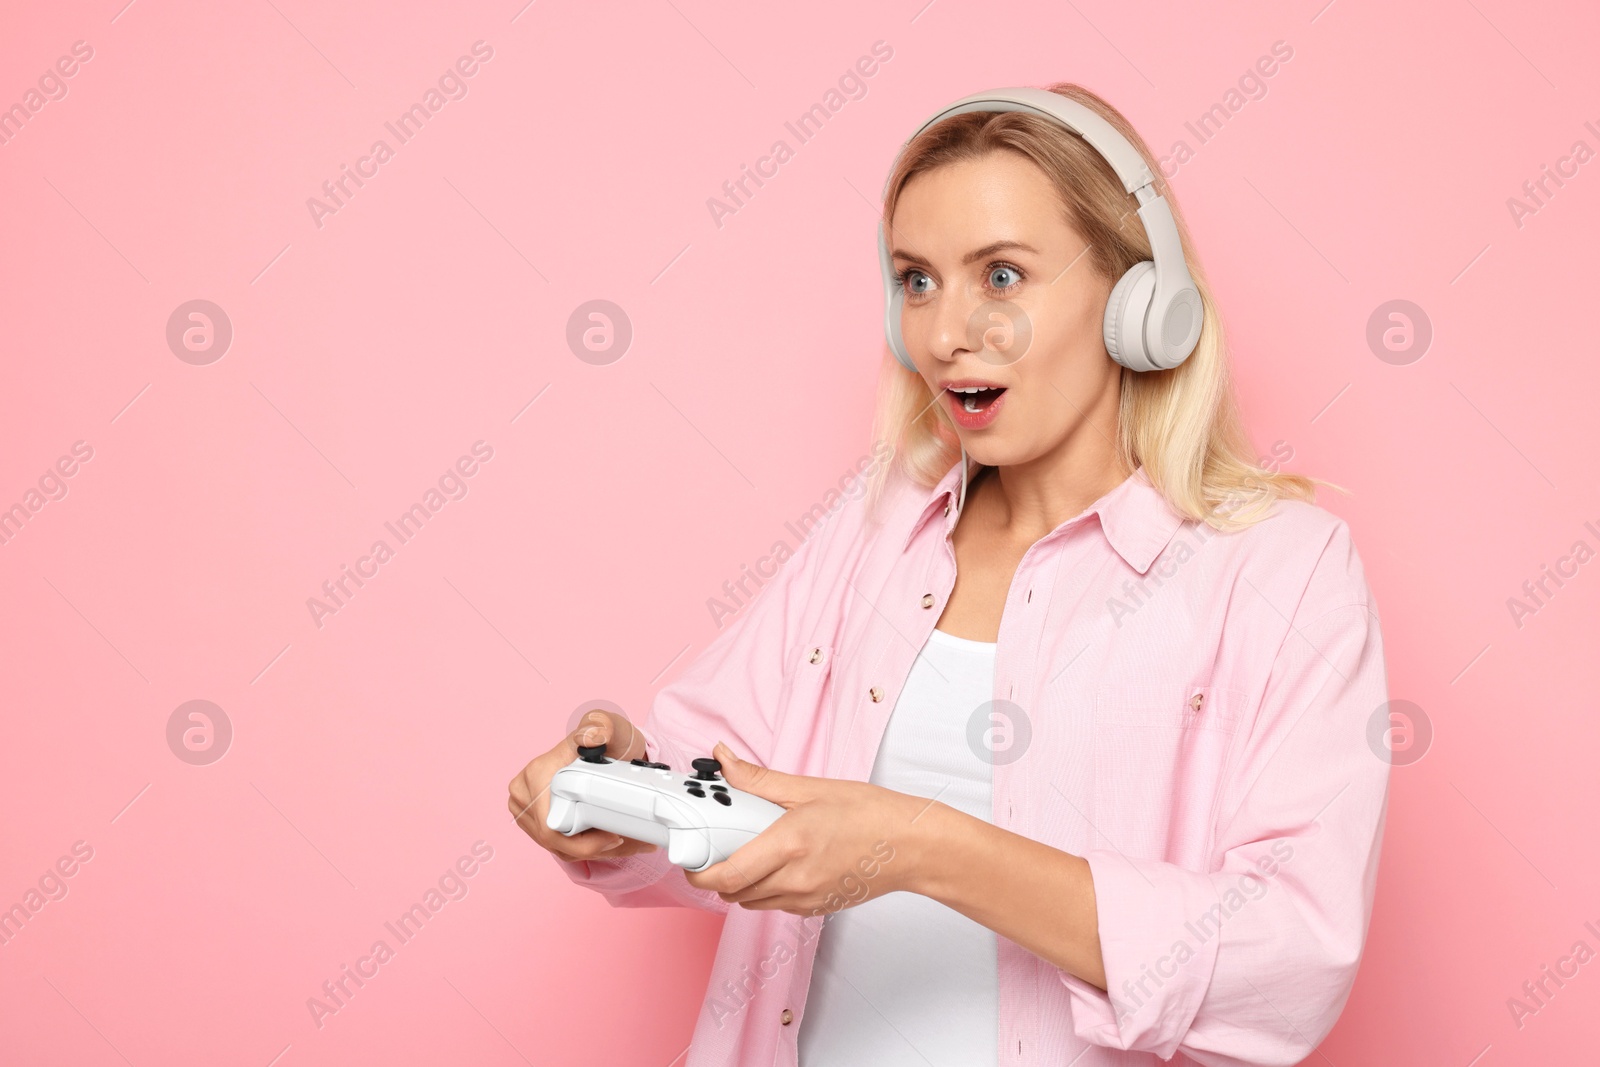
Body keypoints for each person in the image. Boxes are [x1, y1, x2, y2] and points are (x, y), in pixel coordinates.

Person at [509, 81, 1390, 1067]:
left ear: (1142, 301)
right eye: (916, 280)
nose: (941, 333)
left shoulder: (1277, 570)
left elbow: (1292, 959)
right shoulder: (873, 529)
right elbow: (733, 793)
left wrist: (924, 845)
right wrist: (621, 795)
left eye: (1002, 276)